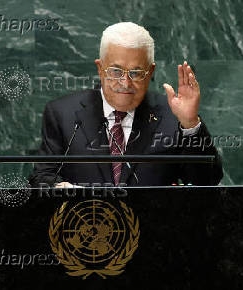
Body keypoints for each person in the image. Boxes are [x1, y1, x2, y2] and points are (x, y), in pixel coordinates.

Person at [28, 22, 223, 188]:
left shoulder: (174, 115)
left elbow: (207, 181)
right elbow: (42, 177)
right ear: (100, 68)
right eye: (116, 71)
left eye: (136, 73)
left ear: (151, 71)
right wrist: (65, 189)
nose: (125, 83)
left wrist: (190, 124)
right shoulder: (62, 113)